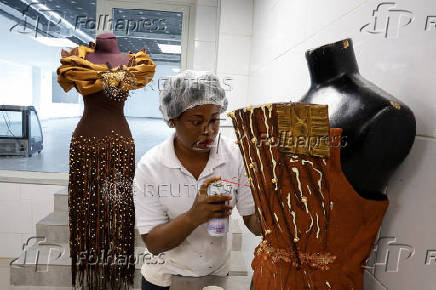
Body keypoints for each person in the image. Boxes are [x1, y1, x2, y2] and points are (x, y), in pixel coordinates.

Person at [133, 70, 262, 289]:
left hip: (215, 275)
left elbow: (255, 225)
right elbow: (154, 243)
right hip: (164, 279)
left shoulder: (233, 155)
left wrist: (277, 199)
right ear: (173, 120)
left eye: (214, 120)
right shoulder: (151, 167)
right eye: (196, 122)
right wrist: (194, 217)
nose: (208, 131)